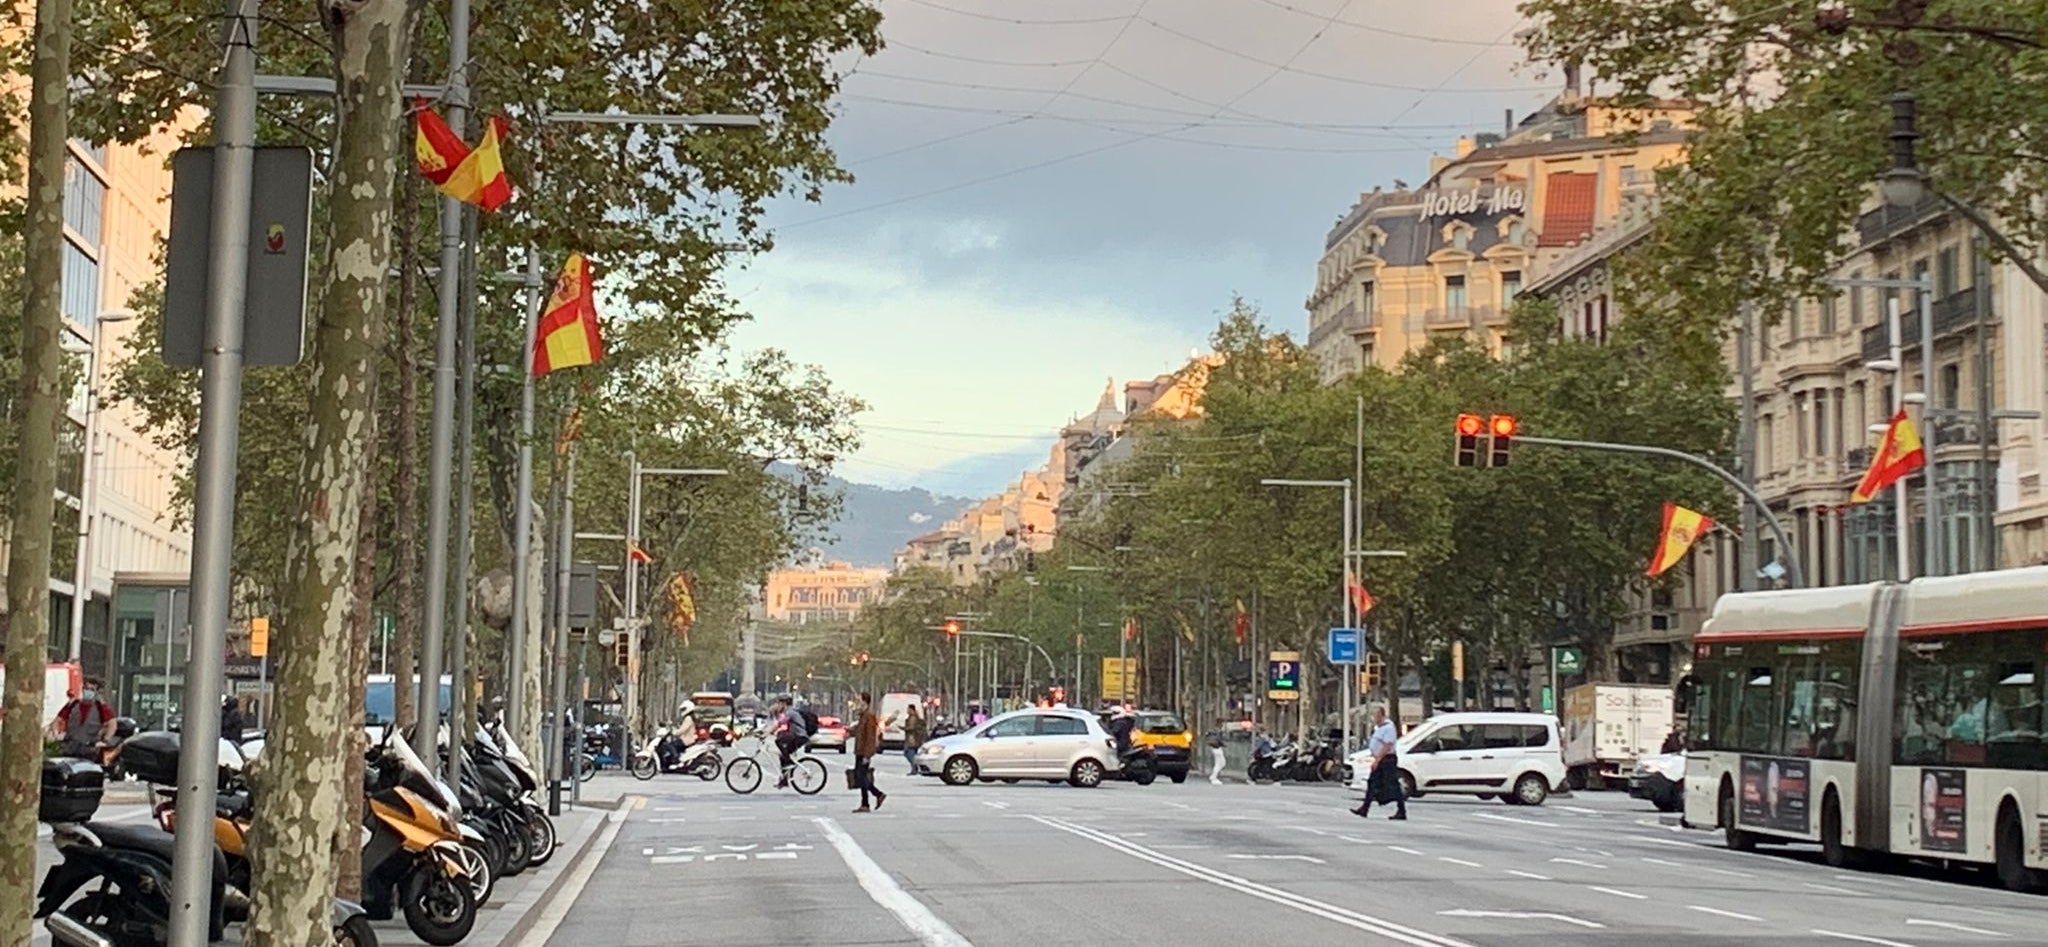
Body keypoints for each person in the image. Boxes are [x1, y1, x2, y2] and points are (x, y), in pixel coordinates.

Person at [1351, 704, 1406, 821]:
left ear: (1381, 716)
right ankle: (1364, 808)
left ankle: (1401, 810)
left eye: (1375, 716)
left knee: (1393, 785)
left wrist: (1378, 759)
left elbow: (1387, 745)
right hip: (1381, 759)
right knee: (1372, 783)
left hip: (1387, 760)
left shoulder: (1389, 728)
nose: (1374, 718)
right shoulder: (1379, 728)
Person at [53, 677, 117, 759]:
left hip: (90, 749)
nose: (88, 691)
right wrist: (56, 735)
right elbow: (57, 720)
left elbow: (113, 724)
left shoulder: (100, 707)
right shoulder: (73, 704)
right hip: (69, 747)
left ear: (96, 692)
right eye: (86, 688)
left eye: (92, 689)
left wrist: (104, 741)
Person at [850, 692, 888, 813]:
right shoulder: (863, 716)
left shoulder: (869, 716)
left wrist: (867, 755)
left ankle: (877, 795)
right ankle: (866, 802)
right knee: (859, 777)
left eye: (859, 700)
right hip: (859, 751)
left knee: (861, 777)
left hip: (864, 752)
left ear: (864, 701)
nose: (857, 703)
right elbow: (859, 732)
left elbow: (870, 737)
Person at [770, 696, 810, 788]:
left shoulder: (790, 712)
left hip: (800, 737)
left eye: (779, 704)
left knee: (779, 741)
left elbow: (779, 723)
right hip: (796, 736)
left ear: (784, 704)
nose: (778, 706)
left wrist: (768, 732)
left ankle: (789, 763)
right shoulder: (787, 712)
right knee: (782, 756)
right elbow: (778, 724)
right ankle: (784, 781)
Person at [901, 704, 927, 775]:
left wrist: (903, 728)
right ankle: (914, 768)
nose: (907, 710)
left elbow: (911, 728)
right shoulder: (915, 717)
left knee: (908, 754)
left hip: (912, 739)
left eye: (908, 709)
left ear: (911, 710)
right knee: (912, 754)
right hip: (915, 739)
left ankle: (914, 768)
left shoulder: (913, 718)